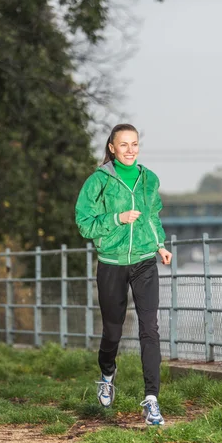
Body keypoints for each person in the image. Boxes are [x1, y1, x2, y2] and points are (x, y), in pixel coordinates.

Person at [75, 123, 172, 426]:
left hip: (144, 261)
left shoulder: (148, 179)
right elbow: (84, 223)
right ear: (112, 148)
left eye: (135, 144)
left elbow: (153, 215)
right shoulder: (98, 181)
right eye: (124, 145)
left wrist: (160, 245)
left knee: (150, 330)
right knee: (113, 332)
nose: (130, 150)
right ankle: (107, 374)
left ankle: (152, 400)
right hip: (111, 262)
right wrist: (117, 218)